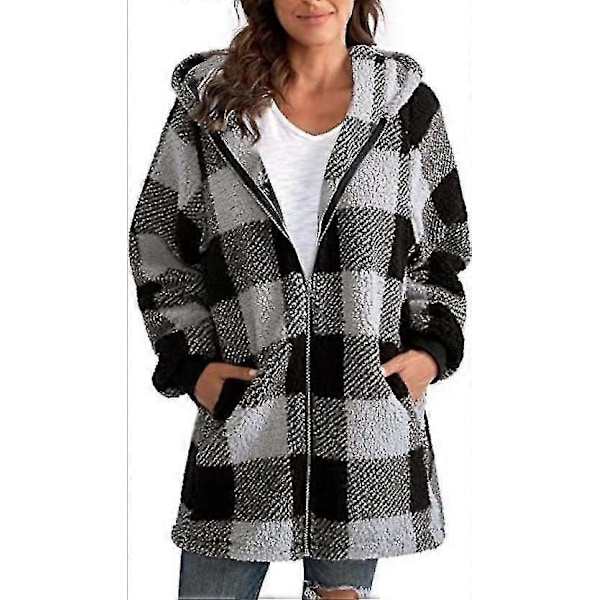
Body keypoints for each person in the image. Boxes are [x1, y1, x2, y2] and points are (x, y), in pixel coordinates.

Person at [128, 0, 472, 598]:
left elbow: (441, 246)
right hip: (246, 419)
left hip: (363, 426)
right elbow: (158, 245)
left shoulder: (403, 106)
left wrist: (430, 352)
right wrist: (192, 365)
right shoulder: (211, 108)